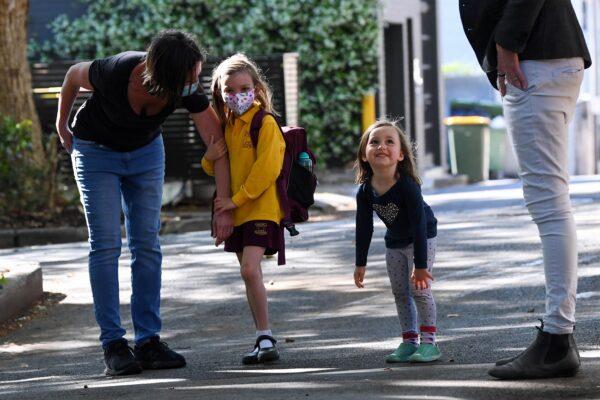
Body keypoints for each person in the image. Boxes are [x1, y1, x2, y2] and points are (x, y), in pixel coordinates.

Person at [55, 30, 234, 376]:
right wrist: (62, 125)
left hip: (145, 154)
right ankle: (113, 344)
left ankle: (149, 342)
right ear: (163, 73)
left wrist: (224, 202)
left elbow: (215, 139)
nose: (193, 83)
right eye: (189, 77)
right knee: (106, 244)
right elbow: (73, 75)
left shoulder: (185, 84)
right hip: (95, 152)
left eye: (196, 75)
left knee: (147, 244)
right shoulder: (116, 70)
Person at [460, 0, 591, 379]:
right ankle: (557, 337)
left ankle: (557, 340)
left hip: (534, 59)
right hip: (542, 57)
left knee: (548, 203)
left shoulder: (520, 50)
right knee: (549, 200)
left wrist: (507, 44)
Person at [201, 53, 285, 364]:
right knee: (248, 275)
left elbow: (267, 169)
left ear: (257, 88)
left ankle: (266, 336)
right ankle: (263, 337)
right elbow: (216, 168)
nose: (237, 96)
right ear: (220, 94)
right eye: (230, 91)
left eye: (244, 88)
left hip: (260, 209)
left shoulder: (264, 123)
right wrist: (210, 156)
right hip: (238, 211)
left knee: (250, 269)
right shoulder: (228, 125)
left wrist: (235, 200)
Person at [353, 120, 440, 363]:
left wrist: (421, 266)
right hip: (395, 242)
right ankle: (409, 341)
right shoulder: (365, 191)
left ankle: (430, 344)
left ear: (400, 154)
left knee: (419, 290)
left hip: (421, 237)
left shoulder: (407, 186)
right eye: (375, 142)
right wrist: (361, 263)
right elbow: (364, 227)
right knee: (400, 292)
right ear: (364, 154)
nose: (382, 146)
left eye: (389, 142)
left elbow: (419, 225)